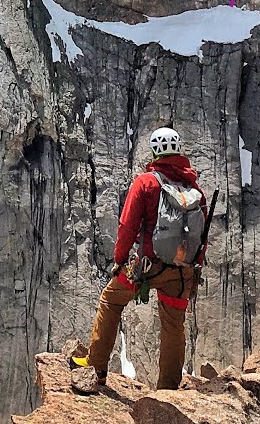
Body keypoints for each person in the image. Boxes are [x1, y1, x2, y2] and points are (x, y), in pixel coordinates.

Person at [72, 126, 209, 390]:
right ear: (179, 150)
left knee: (111, 300)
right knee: (173, 326)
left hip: (146, 266)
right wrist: (191, 268)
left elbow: (127, 226)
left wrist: (120, 260)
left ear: (155, 152)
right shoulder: (196, 191)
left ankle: (96, 367)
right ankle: (168, 392)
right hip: (181, 272)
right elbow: (201, 236)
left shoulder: (146, 183)